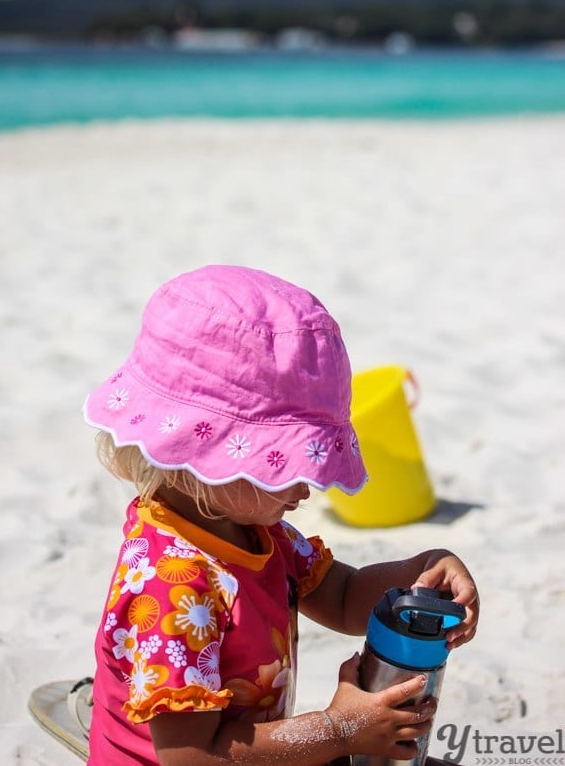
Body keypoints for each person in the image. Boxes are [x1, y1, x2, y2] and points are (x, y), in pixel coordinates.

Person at [83, 265, 478, 765]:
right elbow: (192, 757)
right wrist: (337, 730)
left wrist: (421, 569)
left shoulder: (254, 530)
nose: (308, 487)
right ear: (212, 457)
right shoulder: (174, 589)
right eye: (285, 464)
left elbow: (342, 596)